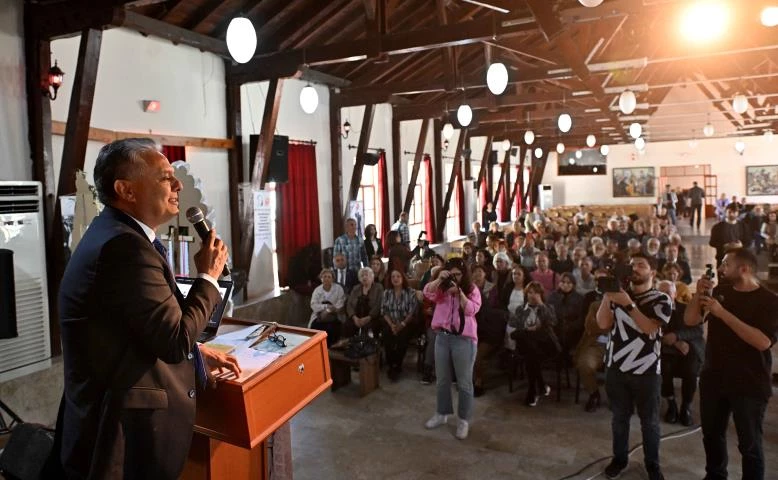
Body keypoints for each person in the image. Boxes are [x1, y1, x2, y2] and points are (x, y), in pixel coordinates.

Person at [50, 138, 239, 479]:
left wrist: (197, 354)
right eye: (165, 176)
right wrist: (208, 278)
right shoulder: (125, 247)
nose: (178, 184)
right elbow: (174, 340)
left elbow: (137, 326)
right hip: (121, 435)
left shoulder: (114, 234)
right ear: (126, 190)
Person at [685, 248, 778, 480]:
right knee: (712, 435)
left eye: (726, 264)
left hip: (749, 382)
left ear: (744, 269)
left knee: (750, 444)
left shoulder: (769, 300)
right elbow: (690, 320)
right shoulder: (720, 291)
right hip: (714, 378)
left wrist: (722, 313)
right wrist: (698, 295)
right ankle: (715, 475)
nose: (720, 268)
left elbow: (763, 342)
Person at [596, 253, 672, 480]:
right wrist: (609, 294)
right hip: (616, 367)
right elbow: (603, 323)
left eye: (641, 265)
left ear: (653, 272)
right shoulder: (618, 294)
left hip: (646, 370)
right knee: (619, 419)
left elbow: (650, 329)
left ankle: (653, 465)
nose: (635, 268)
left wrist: (628, 304)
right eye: (632, 265)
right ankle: (619, 459)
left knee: (650, 423)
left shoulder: (661, 299)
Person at [423, 258, 481, 440]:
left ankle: (463, 420)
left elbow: (471, 310)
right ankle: (442, 413)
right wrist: (439, 279)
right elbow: (427, 293)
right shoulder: (442, 289)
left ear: (464, 275)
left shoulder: (471, 289)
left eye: (458, 274)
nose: (455, 278)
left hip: (464, 340)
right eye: (452, 274)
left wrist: (460, 293)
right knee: (442, 379)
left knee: (464, 383)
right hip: (442, 337)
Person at [656, 281, 703, 427]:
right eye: (661, 293)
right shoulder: (654, 311)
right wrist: (674, 341)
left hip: (688, 348)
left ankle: (686, 407)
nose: (665, 296)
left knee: (691, 370)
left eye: (668, 293)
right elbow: (652, 332)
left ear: (675, 294)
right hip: (665, 349)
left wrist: (678, 336)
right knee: (664, 368)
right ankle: (671, 404)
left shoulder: (686, 309)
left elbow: (698, 330)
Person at [509, 282, 561, 407]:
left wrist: (541, 305)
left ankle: (535, 388)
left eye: (536, 293)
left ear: (541, 295)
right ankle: (536, 388)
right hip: (527, 345)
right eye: (530, 292)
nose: (533, 295)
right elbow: (513, 324)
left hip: (545, 345)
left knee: (530, 354)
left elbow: (553, 322)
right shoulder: (521, 309)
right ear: (526, 294)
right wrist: (526, 328)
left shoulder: (548, 307)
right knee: (530, 350)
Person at [381, 269, 418, 381]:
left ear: (403, 279)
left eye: (398, 276)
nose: (395, 279)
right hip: (391, 322)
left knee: (402, 337)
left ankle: (397, 364)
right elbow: (384, 311)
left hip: (406, 323)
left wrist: (402, 324)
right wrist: (392, 325)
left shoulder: (410, 292)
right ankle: (391, 364)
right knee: (386, 335)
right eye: (393, 277)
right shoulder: (386, 293)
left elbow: (412, 312)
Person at [344, 267, 384, 339]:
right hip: (356, 316)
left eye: (366, 275)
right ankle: (350, 343)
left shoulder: (378, 288)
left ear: (372, 277)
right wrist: (354, 318)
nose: (364, 277)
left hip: (372, 317)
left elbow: (378, 305)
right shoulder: (356, 288)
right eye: (362, 276)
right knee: (347, 325)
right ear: (359, 279)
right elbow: (349, 304)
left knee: (369, 329)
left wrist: (368, 318)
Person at [310, 268, 347, 346]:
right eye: (324, 277)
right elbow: (313, 305)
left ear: (333, 279)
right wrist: (325, 307)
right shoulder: (317, 290)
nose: (326, 278)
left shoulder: (338, 289)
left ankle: (331, 346)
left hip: (335, 314)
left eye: (329, 277)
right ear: (321, 278)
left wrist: (330, 310)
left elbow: (341, 302)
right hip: (319, 315)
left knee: (332, 327)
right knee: (316, 327)